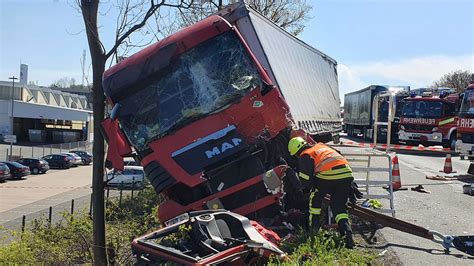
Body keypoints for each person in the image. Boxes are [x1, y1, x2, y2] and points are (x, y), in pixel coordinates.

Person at [288, 136, 354, 248]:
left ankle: (313, 231)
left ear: (296, 152)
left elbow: (306, 182)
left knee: (315, 200)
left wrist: (300, 188)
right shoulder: (321, 145)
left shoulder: (305, 155)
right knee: (339, 206)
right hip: (347, 173)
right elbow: (338, 155)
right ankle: (347, 233)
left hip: (328, 175)